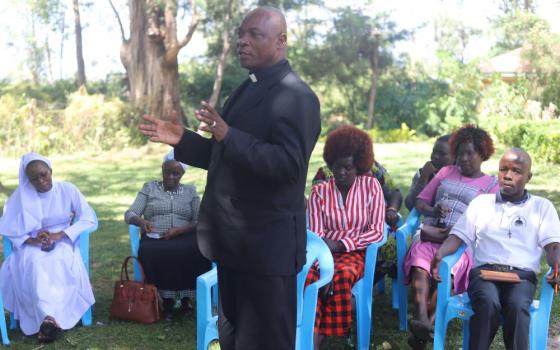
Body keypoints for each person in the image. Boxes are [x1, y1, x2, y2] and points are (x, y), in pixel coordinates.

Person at [138, 6, 320, 350]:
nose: (242, 41)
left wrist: (229, 135)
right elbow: (225, 157)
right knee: (234, 338)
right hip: (233, 244)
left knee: (264, 343)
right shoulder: (248, 89)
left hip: (266, 250)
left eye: (255, 35)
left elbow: (288, 167)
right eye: (241, 34)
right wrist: (183, 140)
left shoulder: (297, 97)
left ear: (281, 42)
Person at [431, 148, 560, 350]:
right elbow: (458, 236)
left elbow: (553, 245)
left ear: (529, 177)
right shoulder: (482, 203)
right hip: (484, 274)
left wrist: (557, 265)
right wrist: (440, 254)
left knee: (517, 307)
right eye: (503, 170)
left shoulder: (541, 207)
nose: (508, 176)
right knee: (488, 303)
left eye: (516, 171)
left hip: (522, 277)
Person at [403, 124, 499, 349]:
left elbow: (490, 223)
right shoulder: (446, 172)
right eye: (460, 153)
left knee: (449, 268)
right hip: (431, 234)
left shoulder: (491, 185)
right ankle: (424, 320)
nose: (463, 158)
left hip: (461, 243)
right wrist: (433, 211)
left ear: (482, 154)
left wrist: (462, 229)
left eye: (470, 153)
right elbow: (420, 202)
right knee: (420, 259)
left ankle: (422, 330)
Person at [0, 152, 95, 343]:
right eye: (34, 178)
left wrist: (60, 235)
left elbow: (88, 218)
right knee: (35, 265)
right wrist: (33, 239)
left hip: (62, 240)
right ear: (28, 180)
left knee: (60, 261)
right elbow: (9, 227)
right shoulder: (21, 197)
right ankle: (47, 318)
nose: (41, 180)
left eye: (44, 174)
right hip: (31, 244)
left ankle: (51, 319)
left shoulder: (67, 189)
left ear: (51, 170)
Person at [306, 125, 385, 349]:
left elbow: (377, 231)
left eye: (348, 168)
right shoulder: (319, 192)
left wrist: (342, 243)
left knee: (341, 275)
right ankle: (312, 337)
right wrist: (325, 262)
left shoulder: (371, 187)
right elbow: (316, 234)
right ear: (330, 165)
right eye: (337, 168)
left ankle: (324, 335)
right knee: (309, 279)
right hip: (322, 252)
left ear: (358, 166)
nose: (342, 173)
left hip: (355, 253)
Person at [124, 151, 210, 320]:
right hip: (155, 237)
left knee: (196, 250)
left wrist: (181, 230)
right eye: (167, 172)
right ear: (162, 170)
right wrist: (142, 223)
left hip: (184, 236)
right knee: (152, 252)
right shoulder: (149, 188)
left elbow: (200, 220)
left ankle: (186, 299)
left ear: (182, 174)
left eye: (176, 173)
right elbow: (130, 213)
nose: (170, 177)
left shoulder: (190, 191)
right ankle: (166, 300)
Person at [404, 134, 453, 211]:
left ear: (455, 157)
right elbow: (410, 204)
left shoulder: (460, 176)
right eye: (434, 152)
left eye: (442, 154)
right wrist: (424, 177)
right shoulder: (423, 173)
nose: (435, 156)